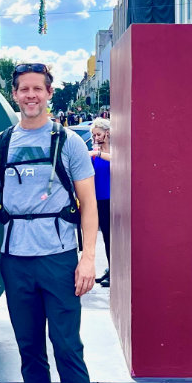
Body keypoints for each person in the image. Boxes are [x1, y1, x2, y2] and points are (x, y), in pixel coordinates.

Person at [0, 63, 99, 383]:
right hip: (15, 261)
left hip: (60, 258)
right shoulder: (0, 144)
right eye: (24, 89)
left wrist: (88, 257)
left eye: (38, 89)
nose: (31, 95)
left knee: (68, 347)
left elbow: (89, 204)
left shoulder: (68, 142)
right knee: (30, 349)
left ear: (49, 93)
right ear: (15, 94)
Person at [89, 119, 112, 288]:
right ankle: (112, 267)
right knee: (106, 236)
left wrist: (96, 154)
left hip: (114, 199)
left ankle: (115, 270)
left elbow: (118, 159)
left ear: (107, 133)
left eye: (99, 134)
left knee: (114, 237)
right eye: (94, 134)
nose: (96, 137)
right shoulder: (94, 153)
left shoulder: (113, 150)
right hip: (99, 199)